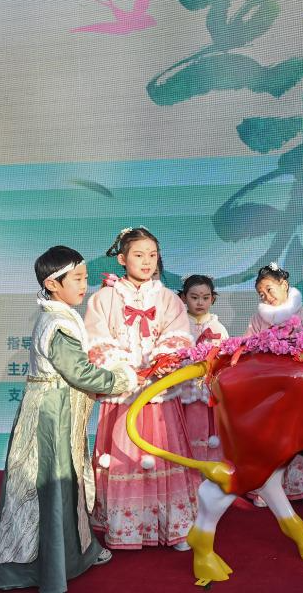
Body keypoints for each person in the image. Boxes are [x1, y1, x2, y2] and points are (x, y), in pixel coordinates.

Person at [0, 246, 136, 593]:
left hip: (59, 409)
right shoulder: (57, 323)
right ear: (52, 284)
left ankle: (74, 555)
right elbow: (79, 373)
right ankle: (47, 567)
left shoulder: (60, 315)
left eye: (86, 278)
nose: (85, 285)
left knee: (66, 486)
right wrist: (122, 378)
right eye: (78, 279)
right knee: (53, 487)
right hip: (53, 416)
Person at [85, 227, 196, 551]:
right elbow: (96, 340)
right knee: (125, 458)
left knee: (163, 455)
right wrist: (126, 370)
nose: (147, 261)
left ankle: (174, 527)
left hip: (158, 393)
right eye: (138, 254)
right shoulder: (102, 299)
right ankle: (126, 528)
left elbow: (178, 335)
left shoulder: (169, 298)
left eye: (152, 255)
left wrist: (162, 361)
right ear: (122, 259)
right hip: (124, 392)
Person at [242, 262, 303, 506]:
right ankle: (266, 489)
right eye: (261, 294)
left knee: (294, 436)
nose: (266, 297)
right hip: (268, 386)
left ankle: (294, 487)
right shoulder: (258, 318)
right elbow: (248, 347)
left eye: (270, 290)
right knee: (268, 438)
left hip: (296, 385)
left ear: (284, 285)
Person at [178, 274, 228, 463]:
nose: (200, 302)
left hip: (209, 391)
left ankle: (209, 469)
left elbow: (226, 357)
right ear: (184, 298)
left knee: (210, 432)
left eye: (205, 298)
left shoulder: (218, 327)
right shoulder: (178, 325)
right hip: (183, 389)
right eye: (194, 297)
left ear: (212, 299)